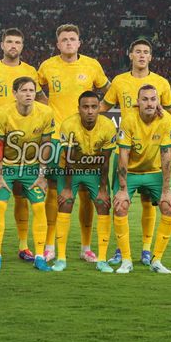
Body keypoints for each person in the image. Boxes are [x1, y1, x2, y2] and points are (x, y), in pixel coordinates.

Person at [99, 38, 171, 266]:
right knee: (121, 201)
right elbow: (103, 108)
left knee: (149, 201)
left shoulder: (161, 83)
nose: (142, 55)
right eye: (138, 52)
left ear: (151, 57)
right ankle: (120, 250)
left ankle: (146, 250)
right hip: (126, 150)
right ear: (130, 55)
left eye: (146, 52)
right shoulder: (119, 81)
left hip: (153, 152)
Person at [37, 24, 110, 262]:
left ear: (80, 42)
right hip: (58, 137)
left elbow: (109, 91)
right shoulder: (47, 66)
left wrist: (100, 113)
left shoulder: (92, 66)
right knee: (54, 191)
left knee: (86, 192)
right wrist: (47, 109)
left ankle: (86, 247)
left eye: (72, 39)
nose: (68, 42)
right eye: (64, 39)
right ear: (57, 44)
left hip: (86, 140)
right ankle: (49, 245)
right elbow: (36, 90)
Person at [0, 27, 47, 263]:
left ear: (22, 46)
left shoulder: (30, 72)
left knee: (22, 197)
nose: (13, 45)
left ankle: (24, 246)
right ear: (2, 45)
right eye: (9, 42)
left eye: (17, 42)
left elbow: (43, 99)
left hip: (26, 143)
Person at [0, 76, 54, 272]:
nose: (28, 94)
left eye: (31, 91)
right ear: (14, 93)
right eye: (24, 91)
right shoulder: (2, 113)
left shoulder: (46, 112)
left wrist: (42, 175)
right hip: (6, 166)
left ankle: (40, 256)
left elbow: (46, 145)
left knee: (39, 207)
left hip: (32, 166)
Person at [112, 84, 171, 274]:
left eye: (153, 99)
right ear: (138, 102)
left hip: (153, 171)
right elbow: (123, 155)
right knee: (120, 205)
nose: (149, 103)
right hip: (131, 172)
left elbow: (166, 156)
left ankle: (157, 260)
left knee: (168, 206)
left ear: (158, 102)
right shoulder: (129, 120)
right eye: (145, 99)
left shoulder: (165, 120)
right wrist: (123, 189)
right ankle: (126, 260)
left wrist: (166, 190)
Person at [53, 91, 118, 273]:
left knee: (103, 204)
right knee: (65, 203)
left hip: (94, 170)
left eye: (94, 107)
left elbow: (105, 161)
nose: (90, 111)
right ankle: (61, 258)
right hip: (70, 171)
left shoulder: (107, 127)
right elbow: (69, 159)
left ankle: (102, 260)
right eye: (85, 107)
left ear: (99, 108)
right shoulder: (68, 125)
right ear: (79, 109)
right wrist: (67, 188)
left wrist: (103, 189)